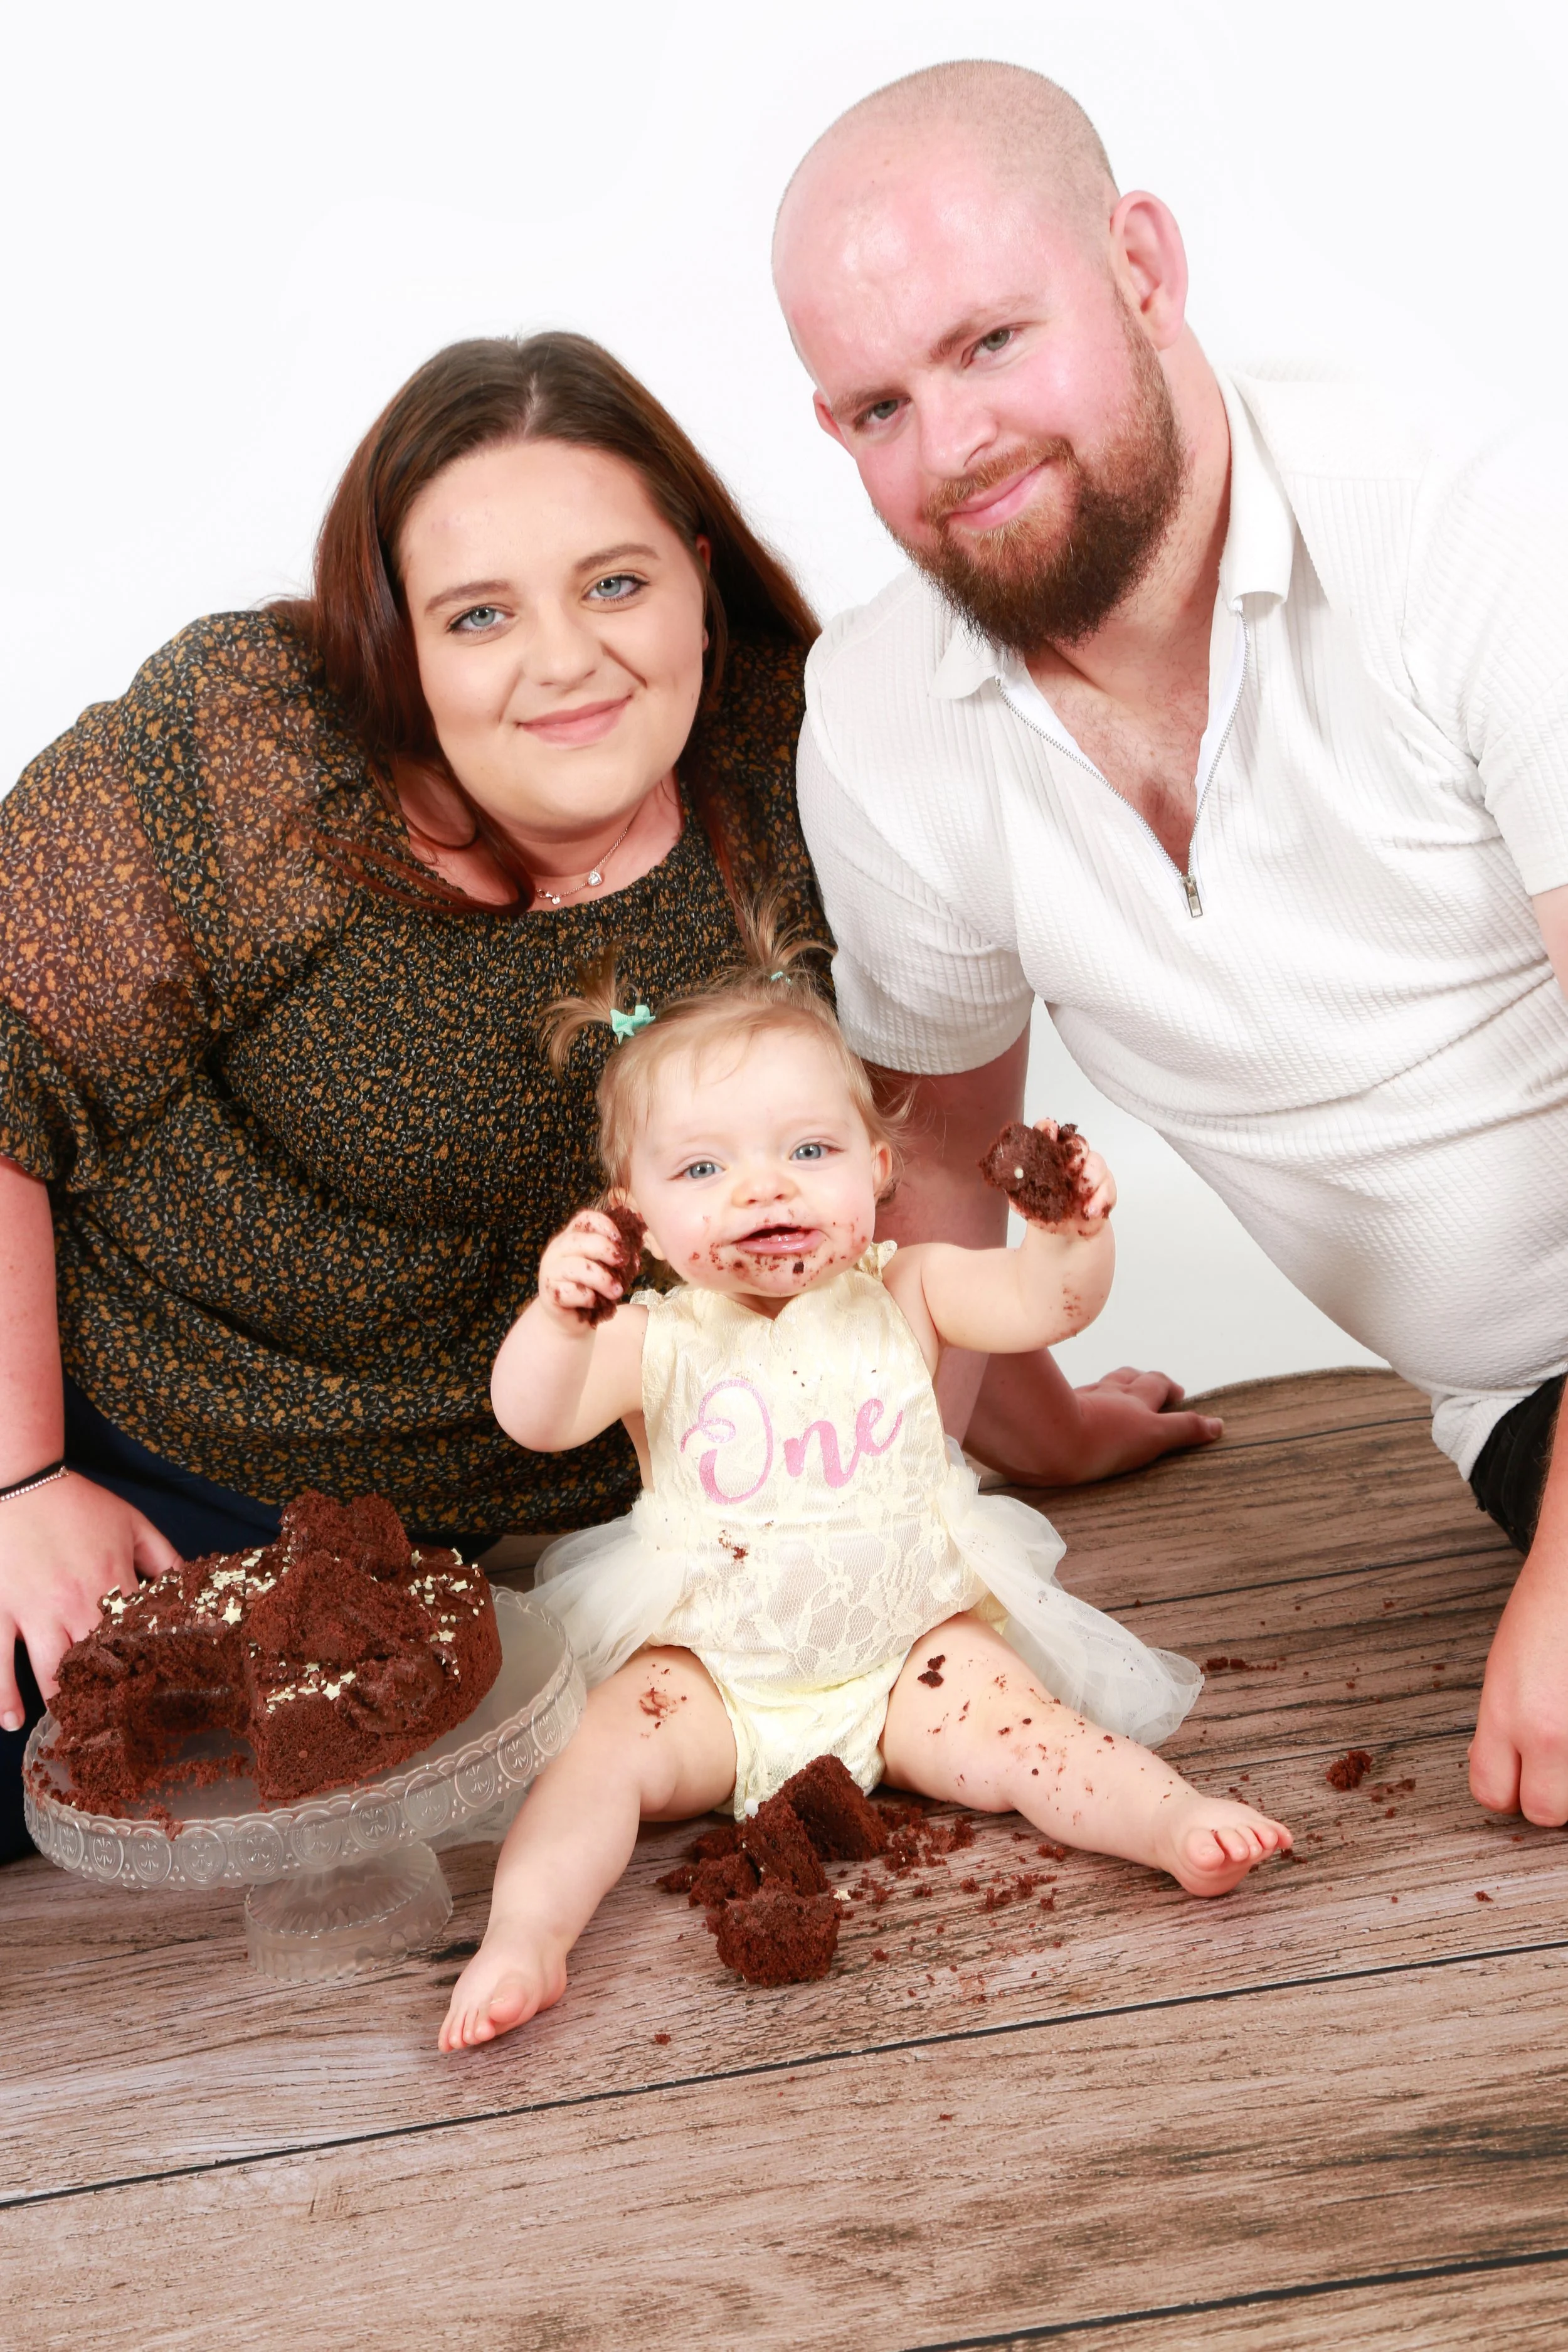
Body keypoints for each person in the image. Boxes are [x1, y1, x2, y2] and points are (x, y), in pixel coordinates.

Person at [771, 60, 1568, 1828]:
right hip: (1525, 1394)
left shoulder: (1479, 529)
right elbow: (941, 1150)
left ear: (1139, 263)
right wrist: (1012, 1412)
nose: (952, 445)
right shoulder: (884, 721)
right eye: (881, 403)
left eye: (991, 341)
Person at [0, 330, 827, 1860]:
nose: (565, 658)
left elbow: (908, 1105)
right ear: (397, 638)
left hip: (490, 1545)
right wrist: (23, 1479)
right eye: (479, 614)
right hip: (138, 1447)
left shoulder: (794, 764)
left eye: (616, 582)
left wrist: (1012, 1397)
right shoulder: (256, 752)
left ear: (700, 571)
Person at [439, 922, 1288, 2050]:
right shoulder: (652, 1338)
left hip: (905, 1656)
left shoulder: (913, 1292)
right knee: (595, 1760)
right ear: (634, 1213)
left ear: (878, 1169)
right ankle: (527, 1936)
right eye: (702, 1168)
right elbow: (532, 1417)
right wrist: (559, 1317)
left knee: (1033, 1731)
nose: (761, 1189)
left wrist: (1069, 1234)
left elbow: (1050, 1308)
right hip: (711, 1669)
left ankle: (1171, 1821)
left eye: (807, 1151)